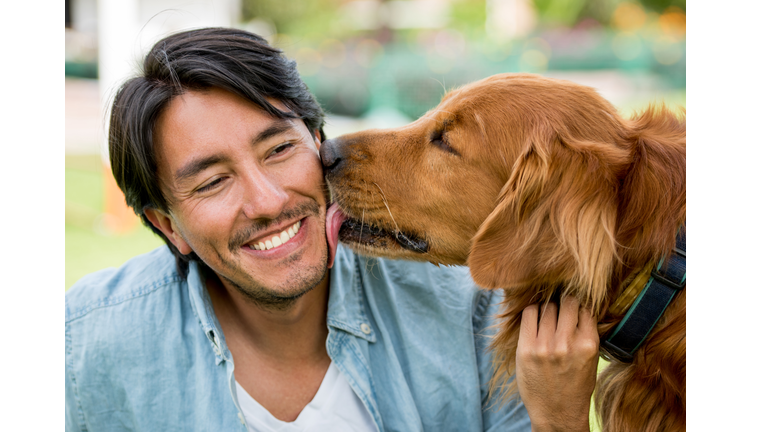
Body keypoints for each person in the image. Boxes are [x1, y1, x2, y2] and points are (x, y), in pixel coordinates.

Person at [65, 27, 599, 431]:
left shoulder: (481, 311)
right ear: (167, 225)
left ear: (318, 139)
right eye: (212, 183)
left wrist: (560, 422)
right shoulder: (81, 345)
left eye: (279, 150)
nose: (269, 201)